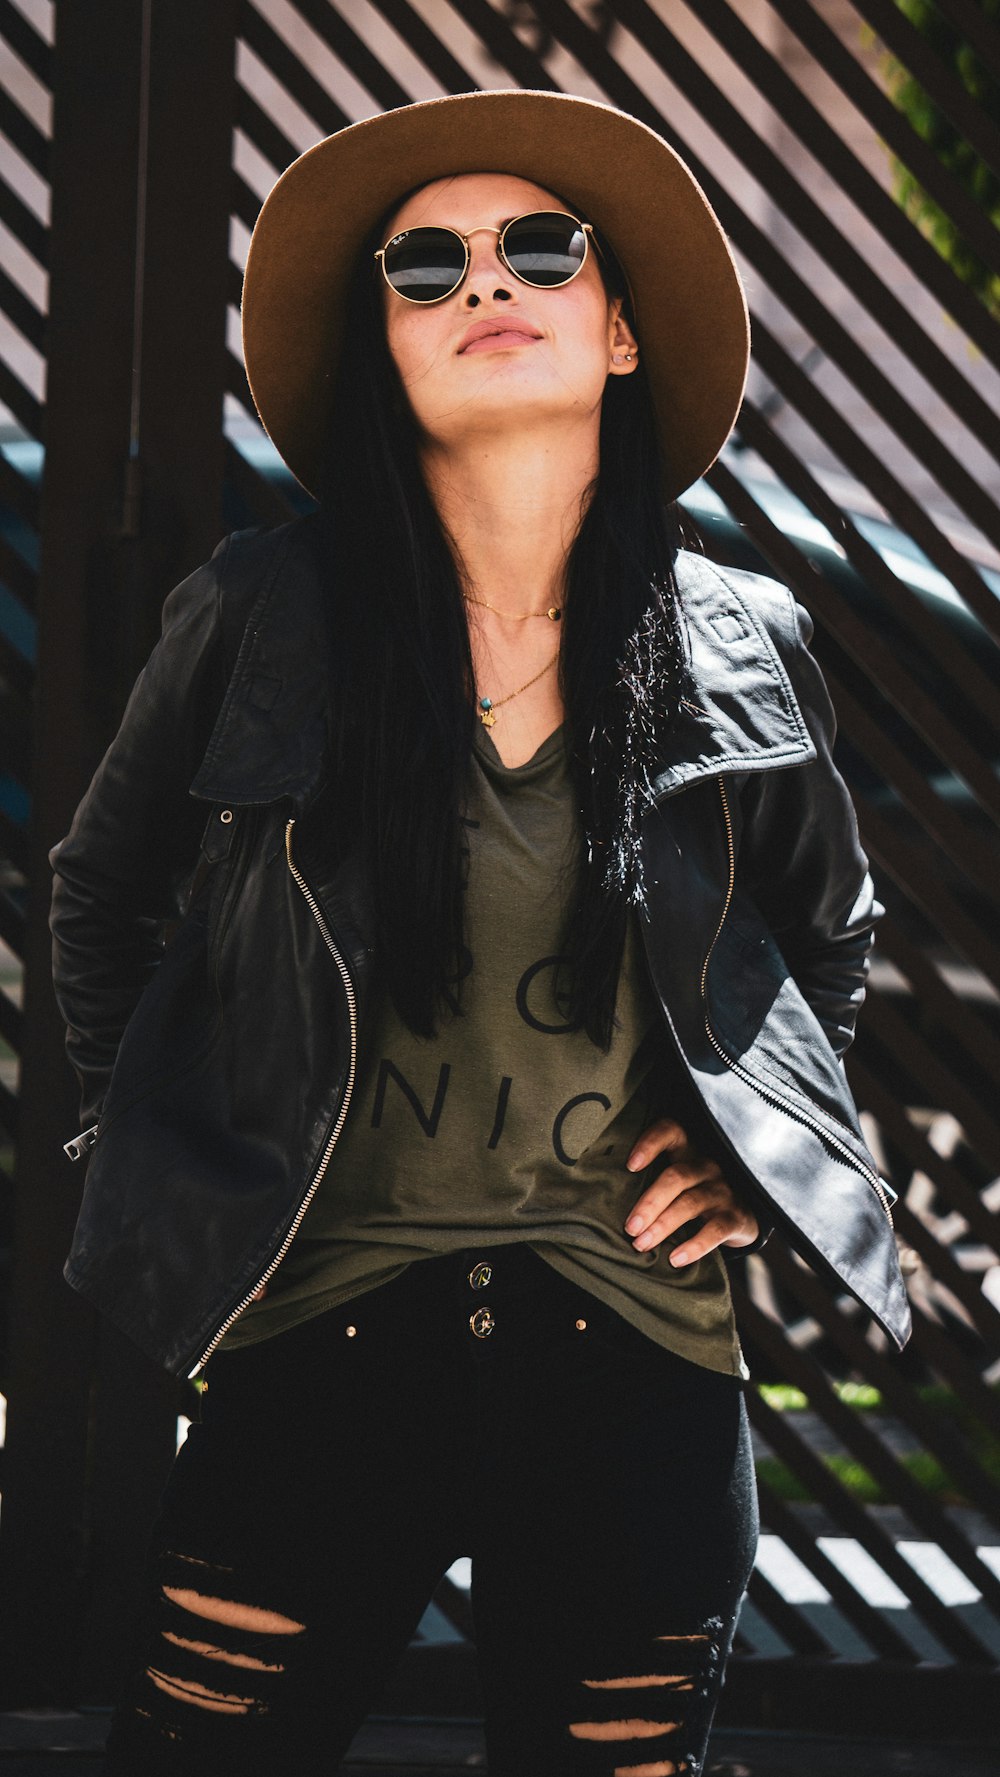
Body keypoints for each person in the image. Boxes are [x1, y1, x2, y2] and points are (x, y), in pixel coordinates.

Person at [50, 90, 910, 1776]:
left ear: (620, 328)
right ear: (384, 349)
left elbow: (831, 927)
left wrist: (757, 1150)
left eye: (537, 249)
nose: (482, 285)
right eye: (424, 267)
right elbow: (101, 886)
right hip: (324, 1336)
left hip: (636, 1353)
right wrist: (161, 1131)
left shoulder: (745, 641)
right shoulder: (259, 616)